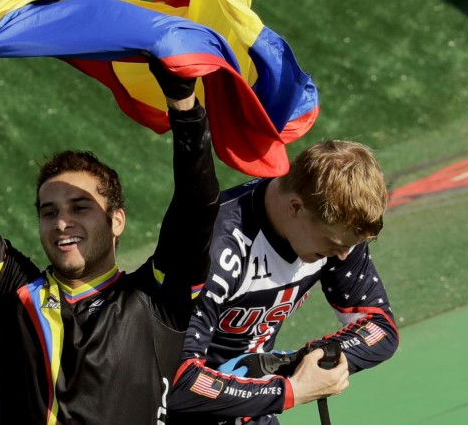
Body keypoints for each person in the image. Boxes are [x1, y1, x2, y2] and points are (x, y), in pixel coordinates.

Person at [0, 49, 220, 424]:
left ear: (117, 221)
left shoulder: (158, 300)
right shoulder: (12, 293)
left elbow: (196, 207)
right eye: (49, 212)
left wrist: (185, 107)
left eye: (80, 207)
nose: (62, 222)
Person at [168, 140, 399, 424]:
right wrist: (291, 390)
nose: (342, 255)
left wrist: (313, 357)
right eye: (333, 243)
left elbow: (380, 327)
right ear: (295, 207)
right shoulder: (214, 249)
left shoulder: (336, 233)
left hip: (251, 405)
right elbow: (177, 381)